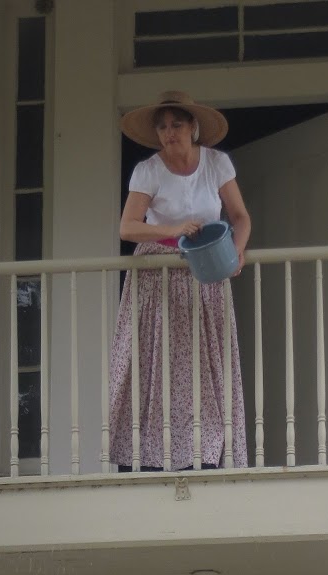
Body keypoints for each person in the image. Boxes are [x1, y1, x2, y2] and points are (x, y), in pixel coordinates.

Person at [109, 88, 251, 470]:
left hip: (207, 268)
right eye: (162, 127)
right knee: (156, 363)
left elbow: (240, 217)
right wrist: (172, 229)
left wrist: (237, 252)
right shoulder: (149, 170)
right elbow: (127, 227)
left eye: (176, 124)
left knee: (205, 365)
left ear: (193, 127)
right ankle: (148, 456)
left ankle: (207, 453)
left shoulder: (216, 164)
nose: (169, 133)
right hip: (159, 274)